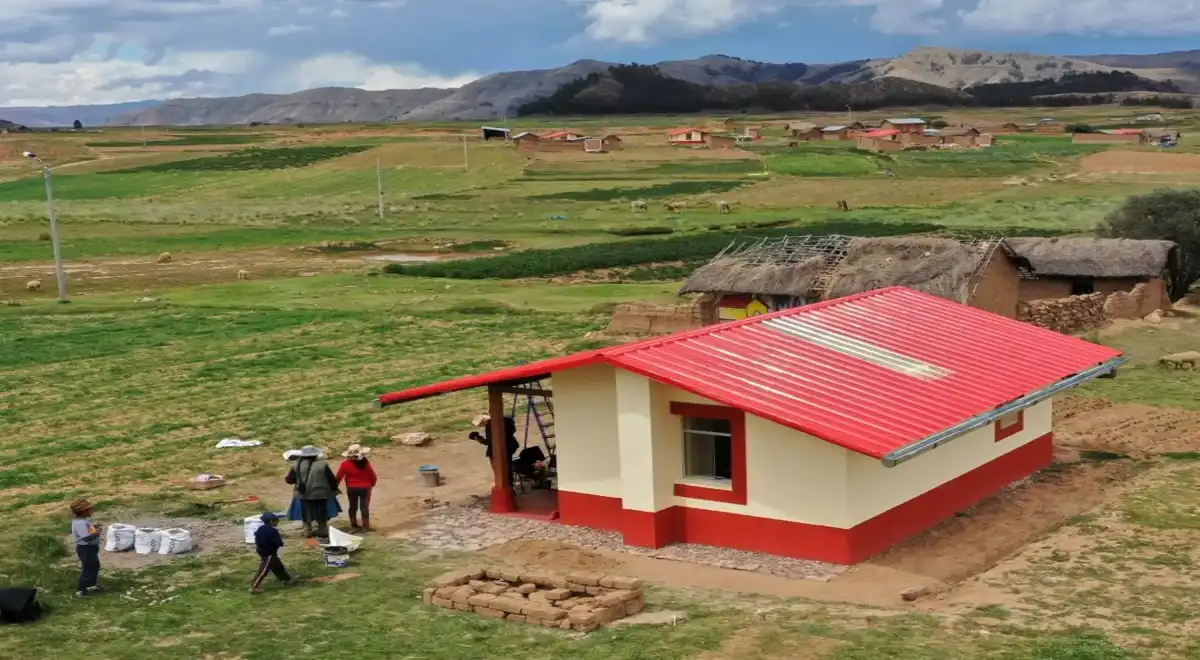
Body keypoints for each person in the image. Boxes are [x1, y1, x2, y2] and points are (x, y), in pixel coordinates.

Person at [285, 446, 338, 539]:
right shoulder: (323, 464)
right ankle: (323, 530)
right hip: (321, 493)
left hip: (304, 494)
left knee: (306, 513)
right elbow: (332, 479)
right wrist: (333, 489)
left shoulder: (297, 465)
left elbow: (289, 480)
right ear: (315, 454)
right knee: (321, 512)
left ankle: (307, 531)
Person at [336, 444, 378, 533]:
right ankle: (366, 526)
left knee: (352, 507)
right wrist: (372, 484)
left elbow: (339, 476)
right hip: (365, 488)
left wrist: (335, 486)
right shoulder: (365, 463)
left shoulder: (345, 464)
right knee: (364, 507)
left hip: (351, 488)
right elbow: (372, 475)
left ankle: (354, 525)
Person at [250, 512, 292, 594]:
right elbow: (279, 542)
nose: (278, 521)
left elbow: (256, 536)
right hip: (269, 553)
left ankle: (286, 579)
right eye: (276, 520)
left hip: (262, 551)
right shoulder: (273, 531)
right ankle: (254, 587)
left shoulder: (261, 528)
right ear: (271, 521)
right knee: (264, 570)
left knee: (278, 566)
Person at [69, 499, 102, 598]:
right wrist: (97, 533)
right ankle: (81, 590)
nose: (92, 511)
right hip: (86, 548)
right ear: (83, 511)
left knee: (95, 566)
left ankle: (91, 585)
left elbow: (87, 531)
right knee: (88, 569)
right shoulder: (80, 523)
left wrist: (93, 528)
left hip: (90, 548)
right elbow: (85, 537)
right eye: (90, 509)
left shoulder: (83, 521)